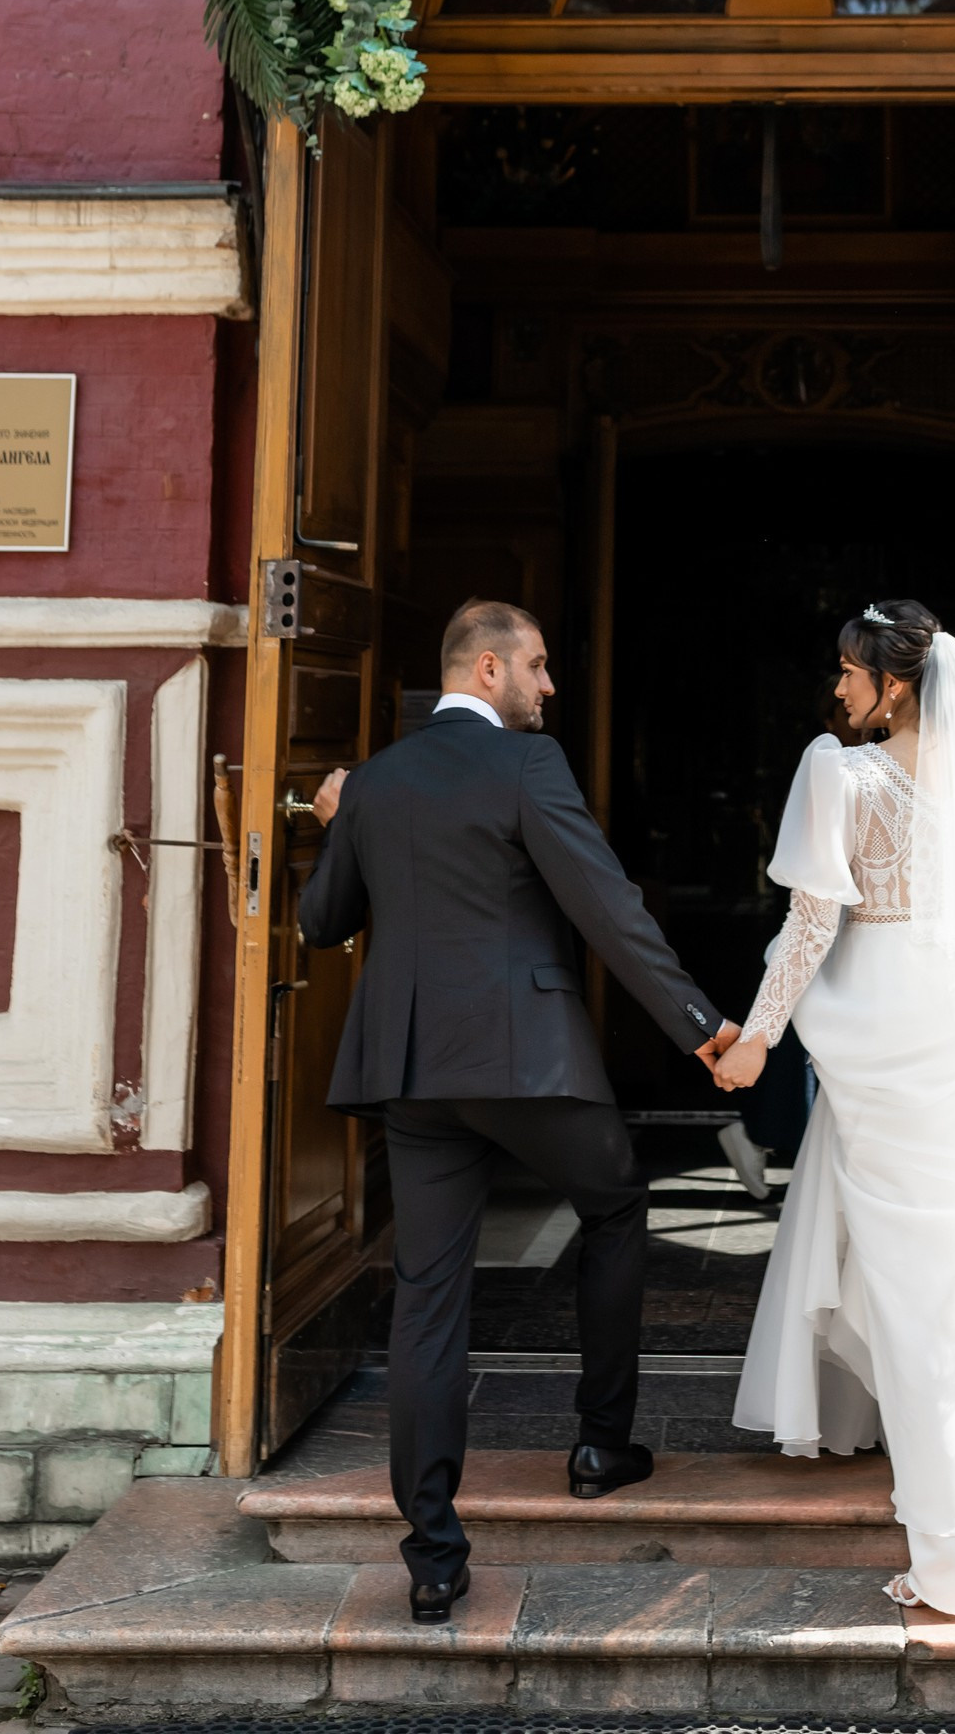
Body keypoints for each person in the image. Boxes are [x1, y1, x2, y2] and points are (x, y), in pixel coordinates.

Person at [298, 598, 739, 1623]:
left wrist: (338, 819)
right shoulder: (527, 768)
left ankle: (433, 1558)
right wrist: (700, 1028)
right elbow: (604, 907)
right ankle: (599, 1440)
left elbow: (322, 923)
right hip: (528, 1063)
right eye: (537, 667)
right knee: (618, 1203)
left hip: (413, 1073)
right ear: (487, 668)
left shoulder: (375, 780)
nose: (549, 686)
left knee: (428, 1298)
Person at [714, 598, 955, 1618]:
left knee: (914, 1298)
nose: (836, 689)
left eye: (848, 672)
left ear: (891, 683)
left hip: (886, 1037)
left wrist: (756, 1036)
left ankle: (943, 1559)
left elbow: (809, 926)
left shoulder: (838, 774)